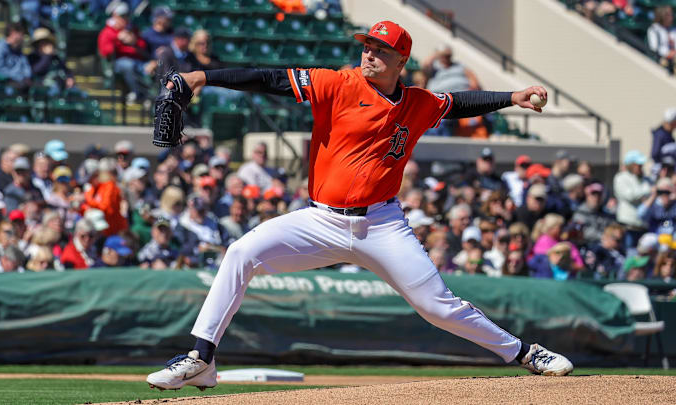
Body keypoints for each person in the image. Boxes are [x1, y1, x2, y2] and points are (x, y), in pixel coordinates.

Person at [145, 20, 572, 392]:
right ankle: (202, 358)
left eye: (380, 49)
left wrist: (512, 96)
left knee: (436, 306)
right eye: (366, 45)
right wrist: (202, 76)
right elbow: (269, 78)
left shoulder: (418, 102)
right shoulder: (337, 83)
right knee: (241, 252)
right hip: (320, 219)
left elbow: (458, 103)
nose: (368, 53)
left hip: (383, 224)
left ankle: (523, 352)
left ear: (400, 60)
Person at [97, 2, 152, 104]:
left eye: (126, 15)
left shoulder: (133, 30)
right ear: (114, 16)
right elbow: (106, 52)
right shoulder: (107, 32)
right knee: (127, 64)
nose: (125, 18)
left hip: (137, 62)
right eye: (122, 16)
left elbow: (143, 49)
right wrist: (118, 40)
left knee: (151, 67)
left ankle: (153, 96)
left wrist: (134, 42)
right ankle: (138, 93)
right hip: (116, 63)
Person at [613, 150, 651, 249]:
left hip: (643, 227)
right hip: (628, 227)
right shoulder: (621, 178)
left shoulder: (645, 179)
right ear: (630, 165)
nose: (640, 167)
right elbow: (630, 196)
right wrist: (648, 190)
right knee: (629, 255)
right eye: (638, 164)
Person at [0, 22, 31, 88]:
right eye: (22, 34)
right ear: (13, 32)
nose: (23, 37)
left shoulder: (18, 50)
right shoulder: (0, 47)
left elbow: (26, 69)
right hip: (2, 85)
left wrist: (25, 77)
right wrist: (16, 77)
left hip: (19, 85)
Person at [646, 5, 676, 73]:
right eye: (668, 15)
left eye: (671, 15)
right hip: (662, 59)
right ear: (662, 16)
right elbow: (655, 49)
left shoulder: (673, 29)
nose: (671, 17)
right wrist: (669, 53)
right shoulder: (654, 29)